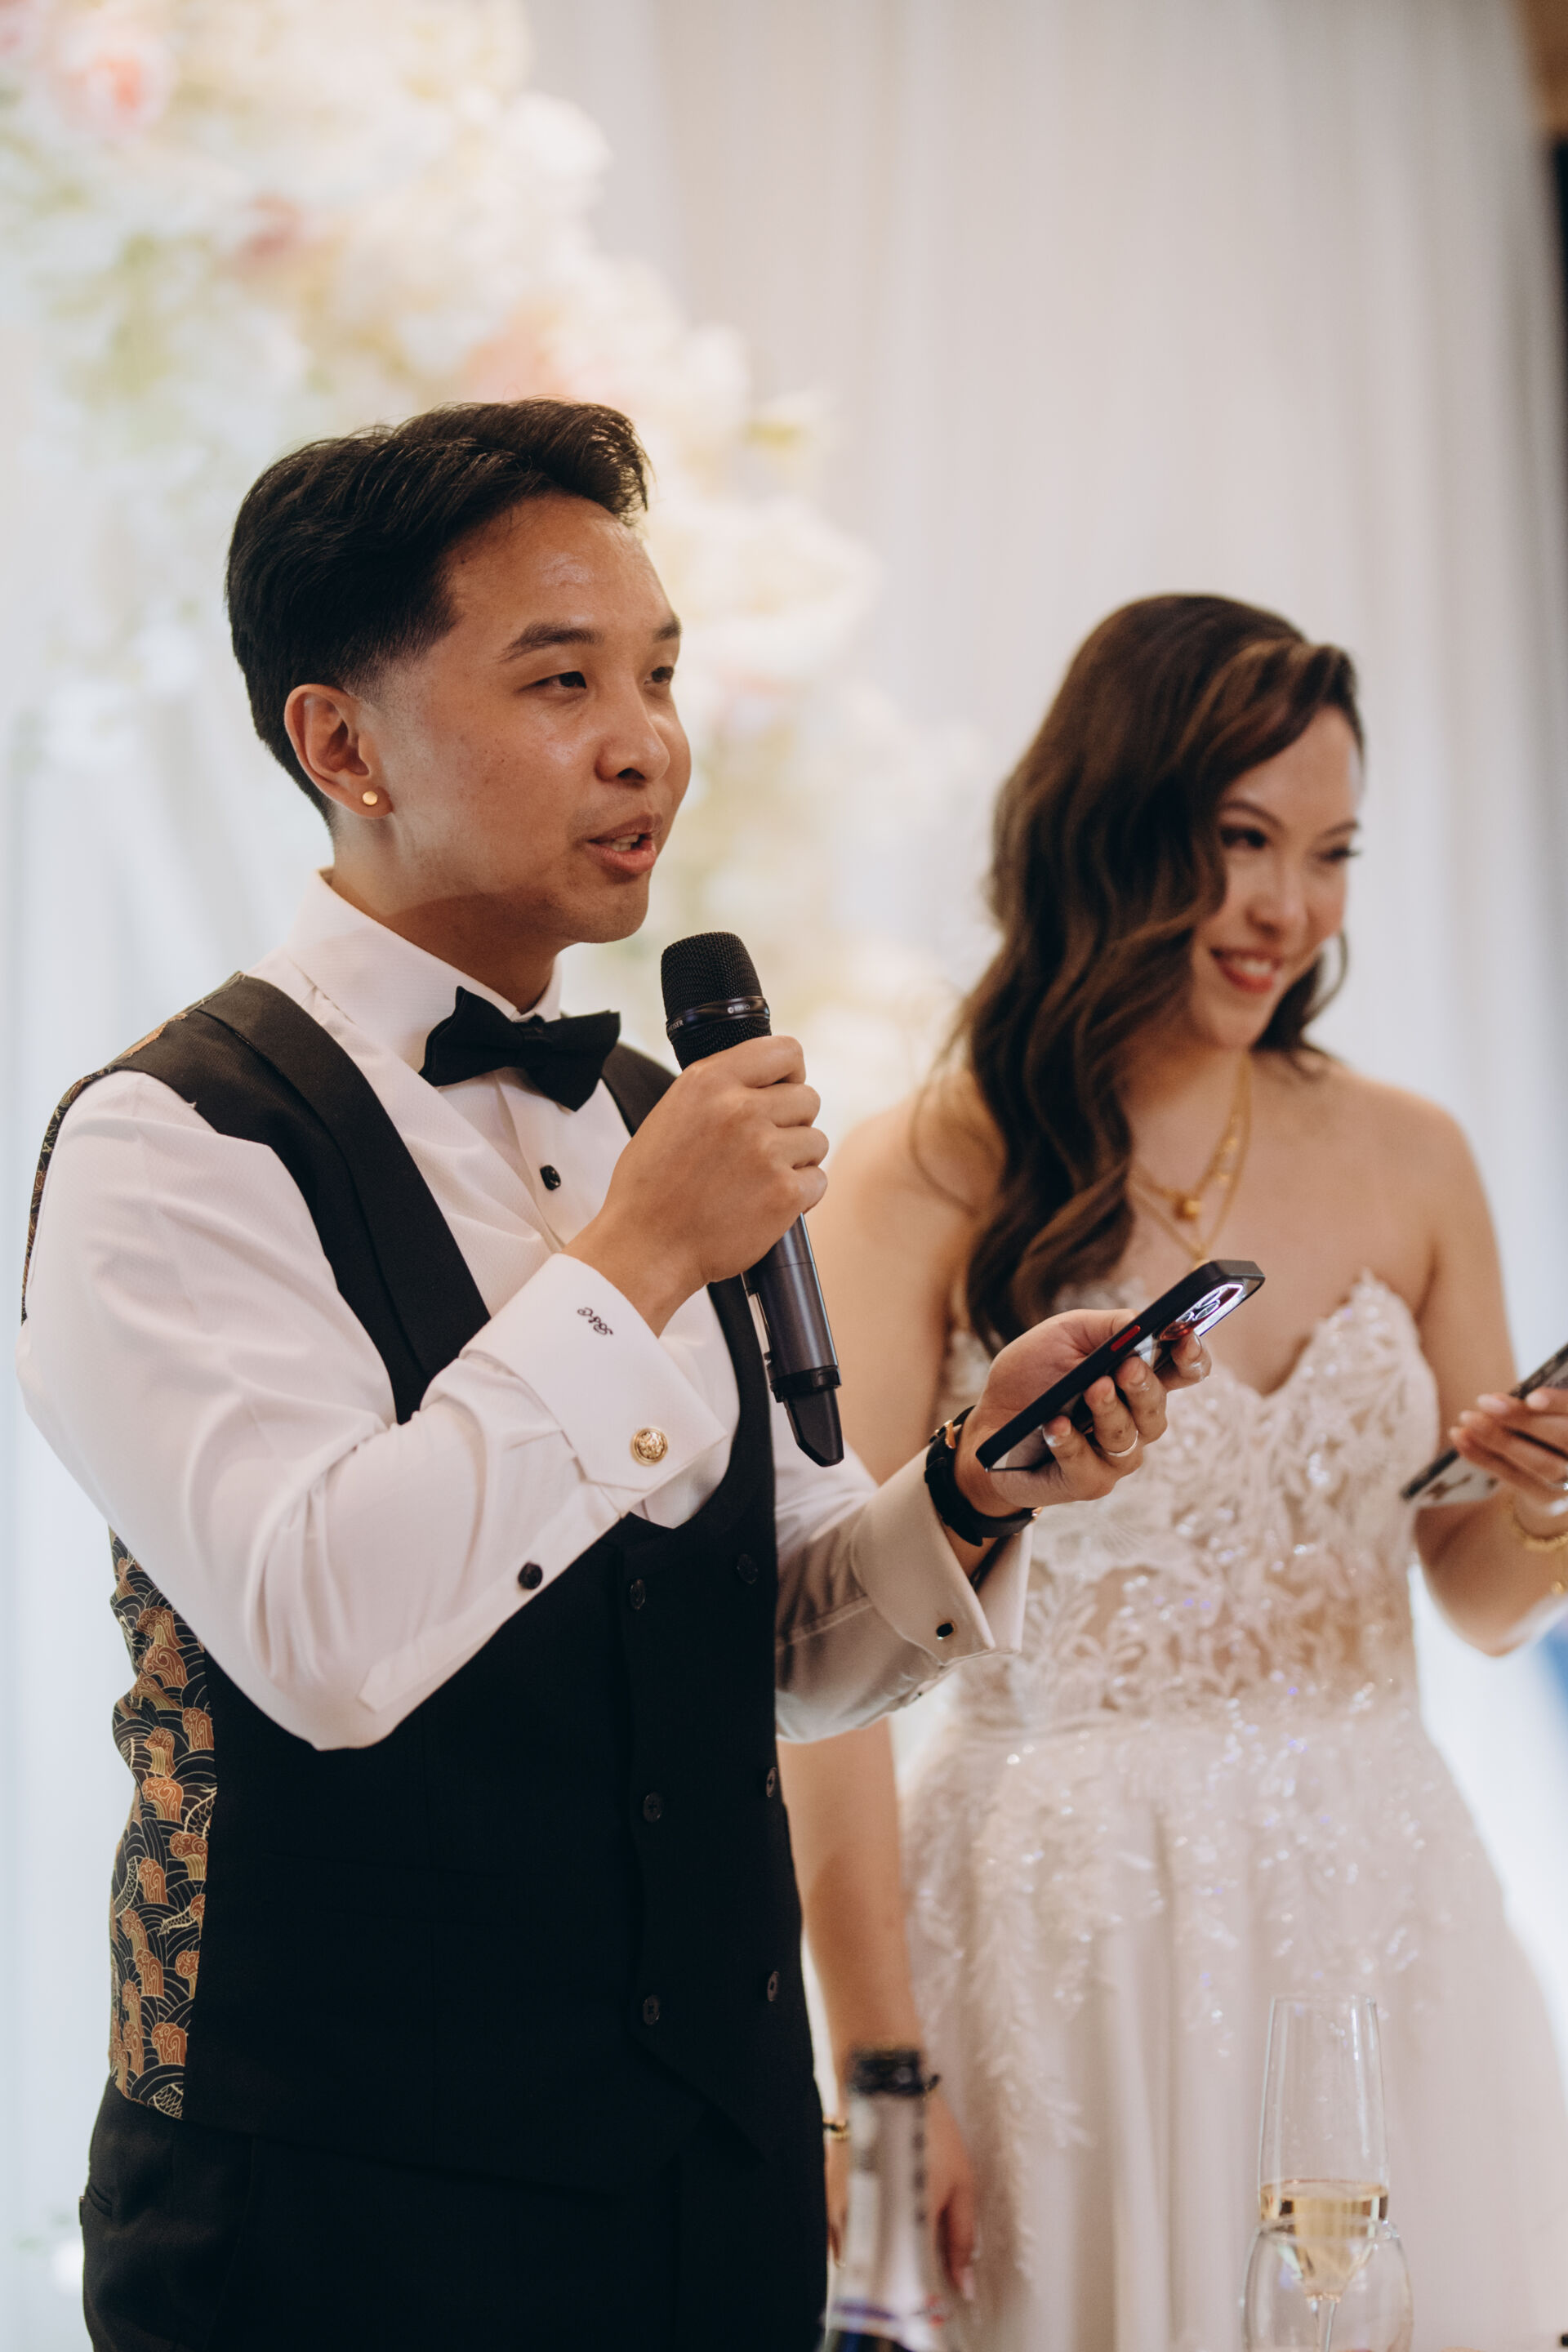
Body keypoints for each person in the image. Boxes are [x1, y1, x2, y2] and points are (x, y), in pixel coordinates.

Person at [15, 403, 1207, 2352]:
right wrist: (640, 1253)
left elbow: (776, 1635)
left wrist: (974, 1483)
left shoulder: (658, 1111)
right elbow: (324, 1633)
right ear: (342, 745)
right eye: (561, 680)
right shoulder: (174, 1144)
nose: (647, 740)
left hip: (713, 2194)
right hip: (336, 2221)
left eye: (658, 674)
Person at [781, 594, 1568, 2350]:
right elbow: (814, 1678)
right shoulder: (927, 1174)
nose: (1292, 907)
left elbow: (1480, 1597)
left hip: (1385, 1915)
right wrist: (883, 2078)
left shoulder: (1415, 1155)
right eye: (1242, 840)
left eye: (1332, 854)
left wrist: (1549, 1500)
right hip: (1066, 1946)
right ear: (1114, 830)